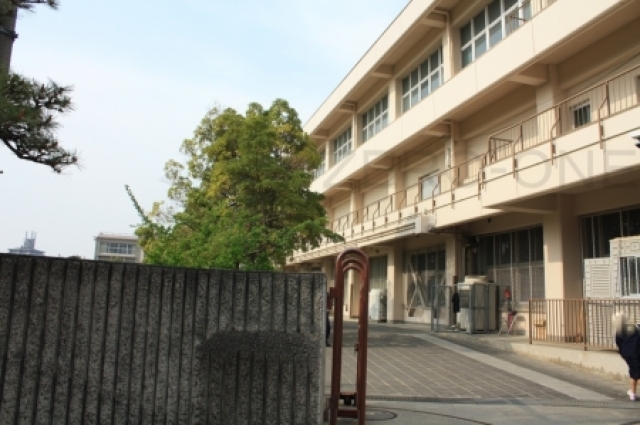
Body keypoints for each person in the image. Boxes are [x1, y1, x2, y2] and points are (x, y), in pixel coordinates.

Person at [614, 313, 640, 401]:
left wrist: (622, 353)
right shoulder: (635, 327)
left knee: (634, 373)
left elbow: (618, 343)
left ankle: (632, 393)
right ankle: (632, 393)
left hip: (628, 354)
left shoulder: (619, 331)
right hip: (636, 353)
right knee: (635, 373)